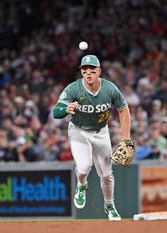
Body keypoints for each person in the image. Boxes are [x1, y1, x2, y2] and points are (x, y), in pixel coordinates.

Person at [52, 55, 132, 220]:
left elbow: (123, 110)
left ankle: (109, 206)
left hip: (101, 132)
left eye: (92, 70)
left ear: (99, 72)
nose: (88, 73)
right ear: (81, 72)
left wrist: (126, 138)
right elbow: (56, 112)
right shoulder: (74, 89)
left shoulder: (109, 89)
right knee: (83, 167)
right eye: (84, 70)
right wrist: (66, 109)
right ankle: (82, 185)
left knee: (107, 175)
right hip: (79, 131)